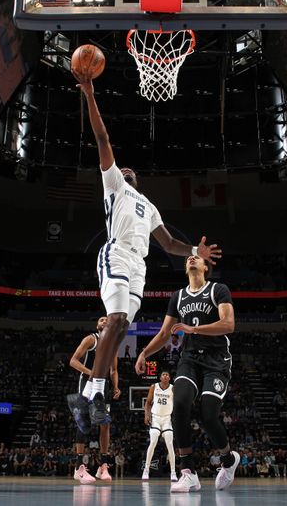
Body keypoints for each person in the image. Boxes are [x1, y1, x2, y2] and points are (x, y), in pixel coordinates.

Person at [68, 71, 222, 431]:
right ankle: (96, 391)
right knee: (117, 320)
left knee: (120, 329)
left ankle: (90, 395)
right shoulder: (115, 186)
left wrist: (193, 249)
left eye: (131, 169)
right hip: (116, 254)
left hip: (139, 266)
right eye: (123, 168)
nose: (127, 168)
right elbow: (102, 137)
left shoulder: (149, 205)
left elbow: (168, 244)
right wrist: (90, 95)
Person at [135, 255, 239, 493]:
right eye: (189, 258)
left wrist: (194, 329)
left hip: (216, 360)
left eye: (198, 258)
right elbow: (164, 334)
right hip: (190, 359)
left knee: (208, 415)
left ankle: (228, 460)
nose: (192, 258)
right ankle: (188, 472)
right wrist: (144, 353)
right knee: (180, 404)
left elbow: (229, 324)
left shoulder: (218, 290)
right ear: (185, 269)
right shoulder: (178, 296)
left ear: (205, 267)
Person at [67, 317, 120, 484]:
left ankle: (103, 466)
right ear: (97, 325)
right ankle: (78, 467)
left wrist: (116, 386)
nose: (105, 321)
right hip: (87, 382)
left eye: (107, 320)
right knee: (84, 421)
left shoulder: (112, 346)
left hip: (103, 386)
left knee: (105, 424)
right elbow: (73, 361)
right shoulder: (91, 339)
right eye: (101, 319)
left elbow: (114, 370)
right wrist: (90, 372)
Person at [142, 371, 177, 482]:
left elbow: (177, 403)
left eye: (167, 374)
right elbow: (148, 402)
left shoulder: (173, 388)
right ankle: (146, 470)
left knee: (170, 443)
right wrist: (147, 415)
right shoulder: (154, 386)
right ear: (160, 377)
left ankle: (173, 472)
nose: (165, 376)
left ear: (169, 378)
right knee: (153, 441)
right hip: (156, 418)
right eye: (163, 374)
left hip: (167, 419)